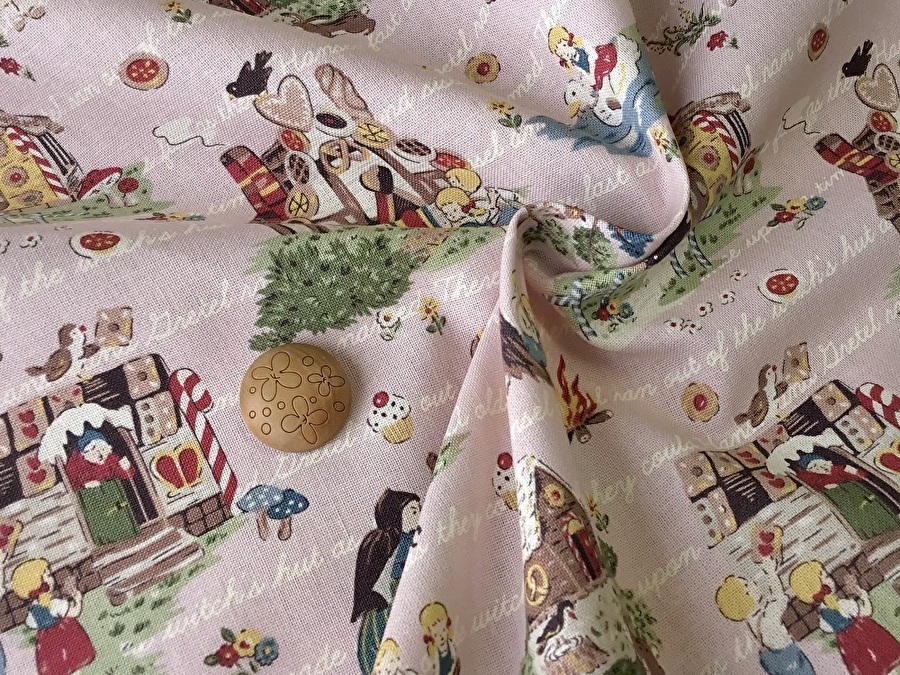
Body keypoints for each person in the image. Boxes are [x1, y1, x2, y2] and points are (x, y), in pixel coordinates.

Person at [351, 490, 422, 674]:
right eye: (414, 511)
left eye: (420, 509)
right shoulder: (387, 541)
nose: (420, 515)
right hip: (386, 603)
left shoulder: (409, 538)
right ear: (397, 515)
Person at [790, 560, 900, 675]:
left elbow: (827, 628)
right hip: (864, 633)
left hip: (848, 645)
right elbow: (866, 612)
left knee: (867, 664)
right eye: (826, 577)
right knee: (881, 656)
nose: (830, 579)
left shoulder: (823, 617)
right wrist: (865, 598)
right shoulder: (843, 605)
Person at [716, 556, 815, 674]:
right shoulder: (767, 616)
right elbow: (779, 596)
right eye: (747, 585)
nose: (752, 583)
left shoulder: (752, 621)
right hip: (789, 656)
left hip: (776, 660)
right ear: (746, 596)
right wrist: (770, 572)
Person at [10, 558, 96, 675]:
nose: (52, 578)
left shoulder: (33, 610)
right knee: (73, 661)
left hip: (47, 643)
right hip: (66, 636)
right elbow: (74, 613)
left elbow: (30, 623)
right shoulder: (54, 604)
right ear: (41, 583)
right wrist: (78, 600)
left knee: (58, 665)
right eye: (49, 575)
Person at [794, 451, 900, 540]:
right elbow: (817, 490)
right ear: (811, 472)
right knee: (861, 517)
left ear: (826, 461)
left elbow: (860, 475)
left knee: (875, 509)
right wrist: (827, 488)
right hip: (847, 502)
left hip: (860, 495)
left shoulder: (840, 469)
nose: (819, 467)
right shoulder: (820, 481)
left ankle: (891, 523)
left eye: (818, 463)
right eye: (813, 467)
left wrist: (853, 472)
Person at [64, 428, 140, 545]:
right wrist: (83, 485)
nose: (100, 454)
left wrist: (126, 468)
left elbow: (126, 475)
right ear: (84, 453)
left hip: (112, 496)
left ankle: (125, 531)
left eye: (103, 449)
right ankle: (103, 538)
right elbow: (70, 484)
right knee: (101, 524)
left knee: (120, 517)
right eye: (94, 451)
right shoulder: (76, 464)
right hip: (93, 502)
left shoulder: (110, 458)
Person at [419, 602, 459, 675]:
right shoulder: (435, 654)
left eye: (443, 630)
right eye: (436, 634)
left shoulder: (451, 647)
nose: (441, 636)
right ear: (430, 636)